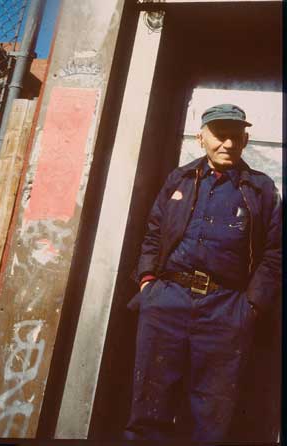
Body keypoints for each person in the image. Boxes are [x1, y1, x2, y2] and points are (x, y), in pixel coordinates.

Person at [124, 104, 281, 442]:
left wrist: (251, 307)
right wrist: (148, 281)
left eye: (234, 136)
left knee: (210, 415)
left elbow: (274, 252)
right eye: (219, 134)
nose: (227, 143)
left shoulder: (261, 189)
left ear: (245, 139)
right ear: (201, 138)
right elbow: (153, 232)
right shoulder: (179, 178)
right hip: (166, 302)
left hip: (225, 309)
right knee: (150, 406)